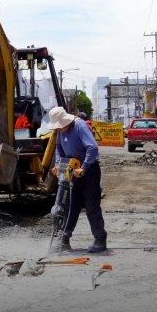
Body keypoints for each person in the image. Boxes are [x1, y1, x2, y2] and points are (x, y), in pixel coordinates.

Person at [47, 105, 107, 253]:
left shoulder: (80, 126)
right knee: (70, 206)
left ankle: (100, 239)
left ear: (66, 121)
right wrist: (58, 164)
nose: (59, 129)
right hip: (71, 170)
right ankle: (64, 239)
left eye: (60, 126)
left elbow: (92, 148)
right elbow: (59, 149)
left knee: (92, 206)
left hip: (89, 171)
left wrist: (84, 167)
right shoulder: (61, 132)